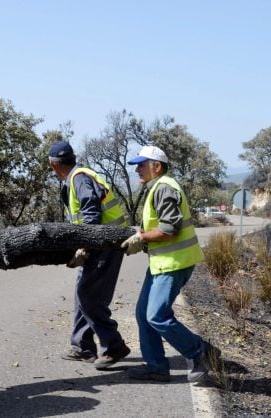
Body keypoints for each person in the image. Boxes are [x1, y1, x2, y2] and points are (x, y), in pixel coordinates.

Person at [121, 145, 221, 384]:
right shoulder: (156, 187)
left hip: (174, 263)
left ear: (157, 166)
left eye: (142, 165)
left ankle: (202, 353)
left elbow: (169, 229)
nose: (137, 170)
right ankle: (156, 366)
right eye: (136, 166)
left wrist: (141, 238)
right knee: (143, 315)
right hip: (161, 263)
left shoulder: (164, 187)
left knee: (156, 316)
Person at [48, 140, 131, 369]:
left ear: (53, 165)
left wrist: (85, 245)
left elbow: (90, 213)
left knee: (89, 297)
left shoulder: (79, 178)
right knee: (81, 294)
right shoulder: (77, 177)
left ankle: (114, 346)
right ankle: (83, 347)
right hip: (100, 243)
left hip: (105, 244)